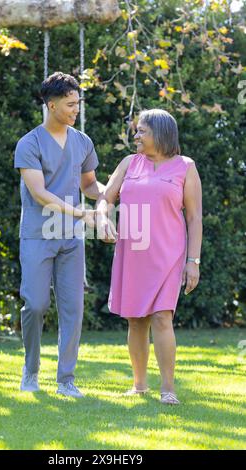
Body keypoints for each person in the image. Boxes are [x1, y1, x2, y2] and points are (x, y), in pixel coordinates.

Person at [14, 71, 115, 397]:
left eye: (78, 103)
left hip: (71, 237)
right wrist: (82, 214)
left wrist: (105, 198)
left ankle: (66, 380)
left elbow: (88, 184)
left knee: (73, 308)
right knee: (36, 303)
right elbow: (40, 193)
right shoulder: (28, 144)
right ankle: (30, 372)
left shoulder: (82, 141)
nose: (76, 110)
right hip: (38, 234)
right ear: (52, 104)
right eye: (71, 104)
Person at [96, 109, 202, 405]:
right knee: (136, 320)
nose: (136, 136)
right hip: (133, 253)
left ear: (161, 134)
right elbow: (106, 199)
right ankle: (139, 385)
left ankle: (168, 389)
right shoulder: (130, 163)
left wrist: (193, 262)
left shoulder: (185, 167)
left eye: (142, 131)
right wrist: (104, 219)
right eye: (137, 131)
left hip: (169, 254)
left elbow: (194, 218)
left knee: (162, 317)